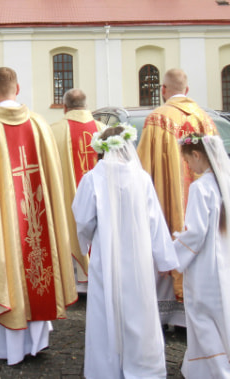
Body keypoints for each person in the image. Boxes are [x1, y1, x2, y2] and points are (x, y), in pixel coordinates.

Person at [0, 66, 78, 366]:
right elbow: (54, 179)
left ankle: (9, 348)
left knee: (6, 268)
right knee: (40, 269)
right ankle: (37, 342)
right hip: (38, 218)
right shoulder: (40, 124)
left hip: (3, 227)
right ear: (18, 87)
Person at [72, 124, 178, 379]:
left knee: (104, 310)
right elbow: (155, 221)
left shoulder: (92, 178)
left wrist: (88, 241)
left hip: (106, 257)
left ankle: (105, 370)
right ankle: (143, 367)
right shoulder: (141, 178)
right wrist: (164, 260)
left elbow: (84, 220)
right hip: (139, 258)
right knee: (139, 310)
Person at [137, 67, 218, 328]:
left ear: (163, 90)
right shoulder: (205, 120)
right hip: (202, 206)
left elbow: (143, 170)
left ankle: (165, 315)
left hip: (167, 204)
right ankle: (190, 318)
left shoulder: (157, 119)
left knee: (166, 247)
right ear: (187, 90)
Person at [174, 133, 230, 378]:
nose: (189, 167)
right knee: (226, 319)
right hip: (228, 264)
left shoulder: (201, 187)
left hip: (206, 267)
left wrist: (172, 253)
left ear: (197, 155)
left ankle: (219, 372)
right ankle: (208, 368)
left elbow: (195, 233)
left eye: (188, 161)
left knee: (202, 318)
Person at [50, 87, 105, 293]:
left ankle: (71, 281)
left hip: (66, 202)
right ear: (86, 105)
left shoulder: (54, 130)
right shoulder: (102, 130)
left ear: (64, 107)